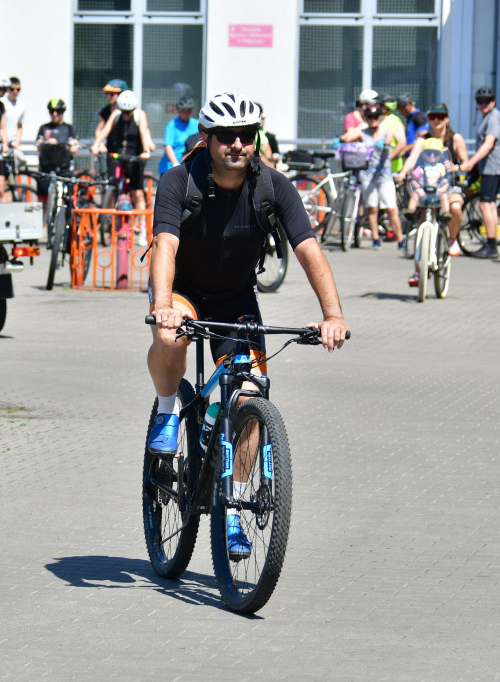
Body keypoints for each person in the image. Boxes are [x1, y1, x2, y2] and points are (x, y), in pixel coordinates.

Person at [146, 92, 347, 556]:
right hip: (183, 291)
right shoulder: (179, 181)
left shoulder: (272, 186)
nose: (236, 144)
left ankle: (234, 510)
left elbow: (309, 249)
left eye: (246, 135)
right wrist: (163, 304)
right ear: (207, 138)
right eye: (226, 136)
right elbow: (165, 246)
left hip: (236, 298)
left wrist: (333, 315)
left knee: (252, 392)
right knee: (169, 333)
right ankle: (167, 409)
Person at [395, 102, 469, 266]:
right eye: (433, 117)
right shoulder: (423, 140)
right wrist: (402, 174)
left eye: (440, 116)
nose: (437, 120)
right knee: (422, 224)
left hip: (447, 185)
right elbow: (412, 160)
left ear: (447, 119)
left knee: (455, 207)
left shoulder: (455, 139)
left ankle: (452, 239)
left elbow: (467, 164)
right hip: (427, 187)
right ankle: (417, 271)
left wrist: (456, 167)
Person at [93, 90, 155, 245]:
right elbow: (105, 131)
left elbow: (143, 133)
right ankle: (107, 223)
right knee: (112, 186)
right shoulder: (116, 115)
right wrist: (97, 144)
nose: (126, 115)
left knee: (137, 193)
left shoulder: (139, 115)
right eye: (124, 112)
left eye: (129, 112)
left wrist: (146, 151)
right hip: (117, 155)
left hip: (135, 156)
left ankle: (142, 228)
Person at [340, 101, 404, 249]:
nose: (373, 119)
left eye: (375, 116)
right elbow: (350, 136)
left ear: (380, 117)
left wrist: (385, 145)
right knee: (372, 208)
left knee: (391, 208)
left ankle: (400, 238)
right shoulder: (363, 132)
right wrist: (340, 140)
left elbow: (389, 140)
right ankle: (375, 239)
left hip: (384, 175)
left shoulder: (385, 131)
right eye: (369, 116)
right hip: (367, 175)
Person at [460, 85, 500, 259]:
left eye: (487, 101)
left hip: (492, 167)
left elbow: (488, 144)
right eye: (480, 102)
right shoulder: (487, 117)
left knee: (486, 204)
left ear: (493, 102)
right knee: (488, 204)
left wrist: (472, 162)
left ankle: (491, 245)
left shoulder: (493, 118)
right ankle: (491, 243)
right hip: (488, 166)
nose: (483, 104)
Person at [35, 98, 79, 201]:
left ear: (62, 112)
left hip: (64, 169)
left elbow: (74, 148)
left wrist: (59, 144)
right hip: (46, 168)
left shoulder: (69, 128)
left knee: (68, 199)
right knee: (43, 200)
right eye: (51, 111)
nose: (54, 114)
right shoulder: (44, 128)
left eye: (58, 111)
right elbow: (39, 147)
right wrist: (46, 140)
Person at [158, 96, 198, 175]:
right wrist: (175, 163)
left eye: (189, 110)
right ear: (178, 111)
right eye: (183, 110)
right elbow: (168, 146)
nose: (186, 113)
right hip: (171, 167)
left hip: (189, 167)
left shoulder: (197, 124)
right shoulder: (172, 125)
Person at [92, 78, 129, 149]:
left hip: (129, 151)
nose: (108, 97)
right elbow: (99, 130)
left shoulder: (131, 112)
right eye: (107, 94)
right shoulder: (105, 112)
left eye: (112, 94)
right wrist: (100, 144)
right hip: (111, 150)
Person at [397, 93, 429, 157]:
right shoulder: (410, 117)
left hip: (418, 157)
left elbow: (424, 139)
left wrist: (405, 149)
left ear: (408, 105)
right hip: (410, 156)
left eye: (400, 109)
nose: (400, 113)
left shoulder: (419, 117)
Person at [0, 76, 26, 152]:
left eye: (18, 89)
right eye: (12, 89)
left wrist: (17, 143)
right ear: (7, 89)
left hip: (12, 143)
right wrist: (4, 143)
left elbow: (20, 126)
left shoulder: (21, 105)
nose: (15, 92)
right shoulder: (2, 102)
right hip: (0, 142)